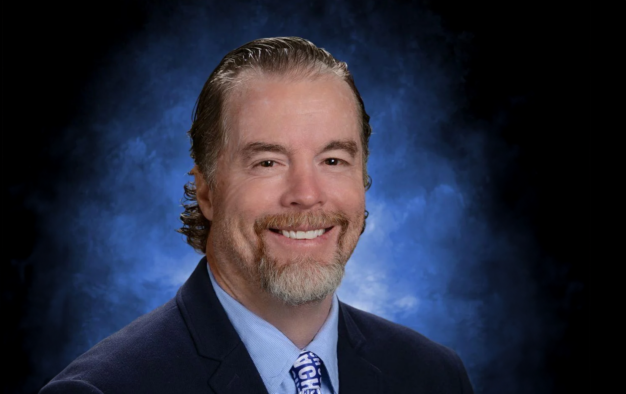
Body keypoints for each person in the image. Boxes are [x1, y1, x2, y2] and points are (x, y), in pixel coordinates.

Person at [40, 37, 474, 394]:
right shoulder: (103, 390)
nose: (306, 195)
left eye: (334, 160)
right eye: (268, 162)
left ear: (363, 177)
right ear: (206, 190)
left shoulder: (434, 376)